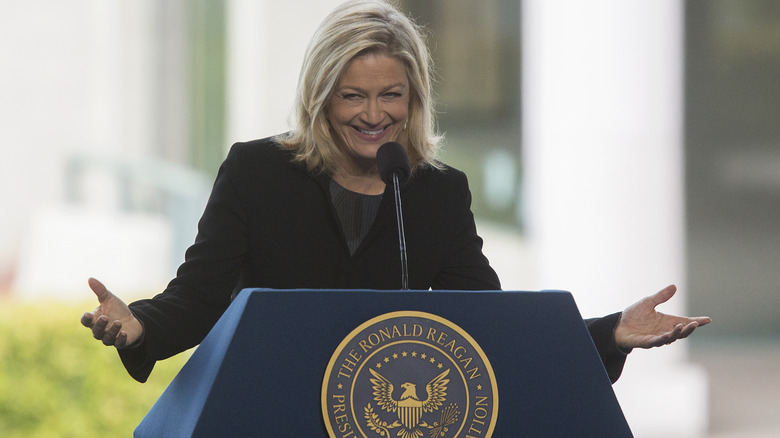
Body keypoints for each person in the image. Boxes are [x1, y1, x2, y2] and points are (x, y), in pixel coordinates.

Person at [81, 0, 710, 384]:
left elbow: (488, 325)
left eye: (392, 95)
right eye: (353, 95)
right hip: (273, 407)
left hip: (388, 413)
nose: (373, 114)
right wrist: (139, 326)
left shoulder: (436, 192)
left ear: (414, 101)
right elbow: (201, 295)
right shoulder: (257, 172)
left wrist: (608, 332)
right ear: (320, 96)